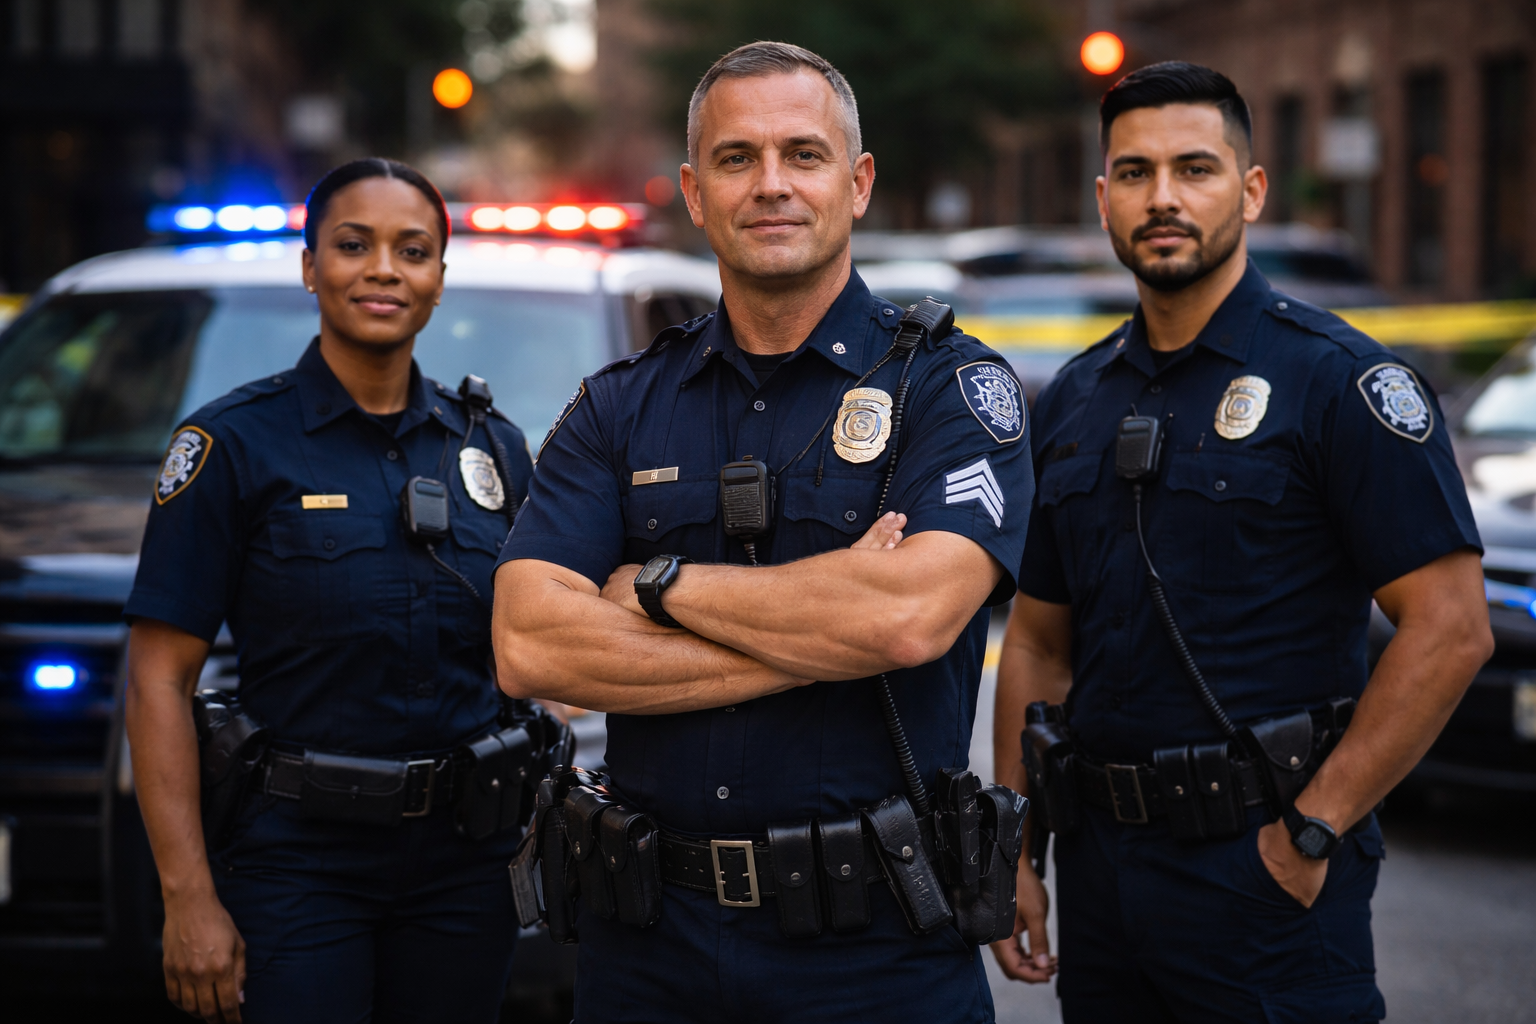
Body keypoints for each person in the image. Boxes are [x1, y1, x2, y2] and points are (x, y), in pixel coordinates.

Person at [493, 41, 1033, 1022]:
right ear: (695, 194)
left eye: (803, 154)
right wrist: (830, 633)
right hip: (648, 948)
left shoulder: (948, 391)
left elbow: (910, 619)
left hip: (876, 952)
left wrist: (655, 585)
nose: (771, 184)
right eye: (737, 159)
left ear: (857, 182)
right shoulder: (618, 406)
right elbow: (529, 642)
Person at [988, 62, 1493, 1022]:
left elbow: (1450, 627)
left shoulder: (1338, 383)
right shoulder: (1076, 398)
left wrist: (1312, 829)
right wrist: (1018, 849)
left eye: (1195, 168)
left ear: (1251, 190)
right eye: (1133, 173)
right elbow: (1042, 643)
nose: (1163, 197)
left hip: (1265, 877)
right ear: (1103, 199)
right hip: (1105, 877)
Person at [124, 158, 541, 1024]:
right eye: (353, 245)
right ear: (311, 266)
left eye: (412, 250)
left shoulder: (494, 450)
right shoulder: (232, 446)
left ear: (437, 281)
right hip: (297, 863)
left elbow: (541, 641)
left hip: (467, 865)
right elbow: (158, 683)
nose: (383, 268)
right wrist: (187, 898)